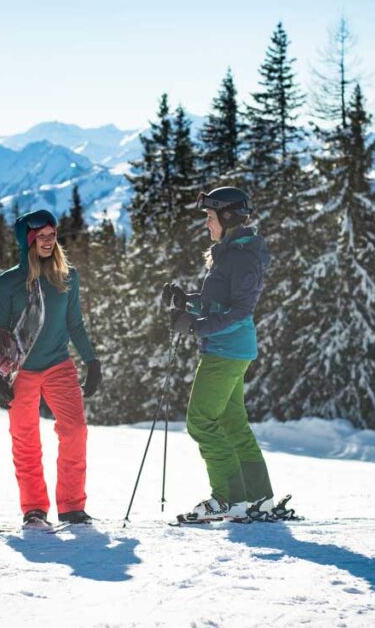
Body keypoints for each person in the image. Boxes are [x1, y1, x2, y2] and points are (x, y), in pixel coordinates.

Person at [164, 186, 275, 522]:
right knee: (231, 422)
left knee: (201, 421)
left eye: (210, 217)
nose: (207, 224)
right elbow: (221, 303)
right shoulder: (233, 253)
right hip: (232, 349)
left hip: (226, 351)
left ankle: (227, 499)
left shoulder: (240, 257)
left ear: (228, 218)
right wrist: (188, 302)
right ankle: (258, 498)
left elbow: (240, 310)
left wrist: (196, 327)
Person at [0, 209, 101, 529]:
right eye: (41, 236)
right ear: (27, 241)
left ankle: (71, 506)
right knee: (25, 439)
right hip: (21, 370)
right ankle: (34, 508)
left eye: (52, 235)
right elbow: (0, 332)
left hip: (58, 365)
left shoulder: (67, 277)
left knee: (75, 431)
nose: (49, 241)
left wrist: (91, 361)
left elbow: (75, 324)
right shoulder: (7, 283)